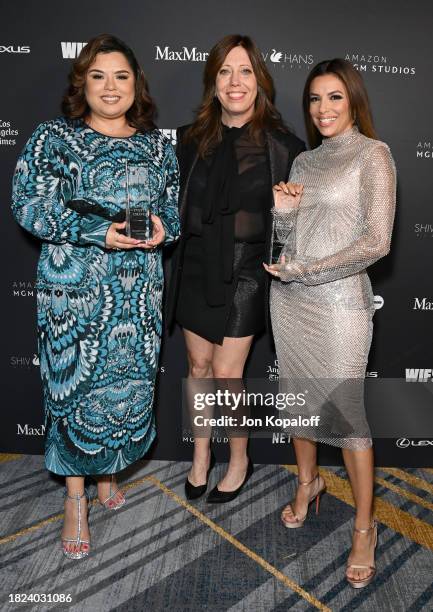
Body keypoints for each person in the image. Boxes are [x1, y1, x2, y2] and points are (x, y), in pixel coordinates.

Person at [11, 34, 179, 558]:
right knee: (75, 391)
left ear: (137, 85)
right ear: (82, 82)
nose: (111, 87)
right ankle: (75, 499)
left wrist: (160, 227)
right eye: (99, 75)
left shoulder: (157, 145)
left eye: (122, 76)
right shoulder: (52, 139)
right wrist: (93, 233)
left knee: (127, 388)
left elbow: (173, 210)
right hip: (75, 296)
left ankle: (108, 474)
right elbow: (27, 205)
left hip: (138, 296)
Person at [265, 58, 396, 588]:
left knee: (345, 416)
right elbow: (282, 252)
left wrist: (307, 270)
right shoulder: (301, 163)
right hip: (290, 300)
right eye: (316, 99)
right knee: (297, 400)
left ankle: (365, 529)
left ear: (353, 100)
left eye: (335, 97)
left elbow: (376, 242)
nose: (323, 109)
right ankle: (308, 484)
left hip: (341, 302)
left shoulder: (374, 155)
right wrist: (281, 217)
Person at [166, 34, 305, 503]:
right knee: (198, 365)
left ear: (259, 80)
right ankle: (202, 454)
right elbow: (175, 207)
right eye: (225, 71)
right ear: (214, 83)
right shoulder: (190, 139)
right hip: (197, 265)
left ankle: (240, 456)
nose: (235, 81)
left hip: (247, 270)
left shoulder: (283, 145)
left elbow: (296, 225)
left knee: (228, 372)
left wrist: (285, 218)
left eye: (244, 70)